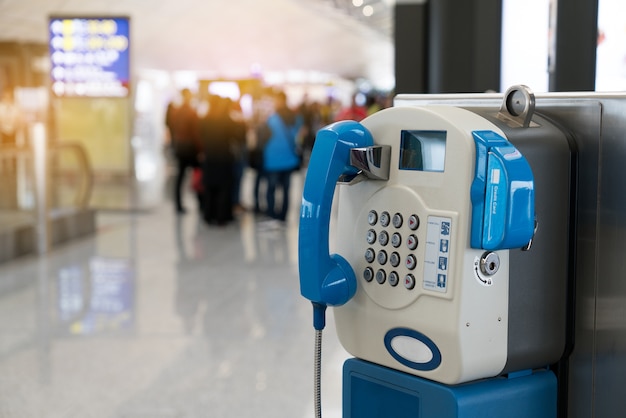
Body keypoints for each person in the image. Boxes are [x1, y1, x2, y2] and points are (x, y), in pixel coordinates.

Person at [261, 90, 302, 223]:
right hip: (289, 158)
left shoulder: (272, 119)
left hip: (273, 159)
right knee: (286, 189)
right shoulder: (294, 117)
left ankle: (272, 215)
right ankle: (283, 216)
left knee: (271, 189)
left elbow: (264, 137)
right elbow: (297, 135)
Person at [197, 96, 238, 225]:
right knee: (223, 189)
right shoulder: (225, 120)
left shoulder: (205, 120)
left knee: (210, 188)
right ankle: (222, 216)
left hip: (210, 157)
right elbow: (238, 136)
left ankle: (209, 215)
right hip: (223, 157)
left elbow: (200, 137)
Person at [168, 88, 200, 214]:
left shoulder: (177, 112)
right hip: (189, 148)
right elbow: (196, 133)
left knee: (180, 176)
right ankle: (201, 203)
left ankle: (179, 204)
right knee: (196, 174)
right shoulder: (191, 112)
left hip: (180, 147)